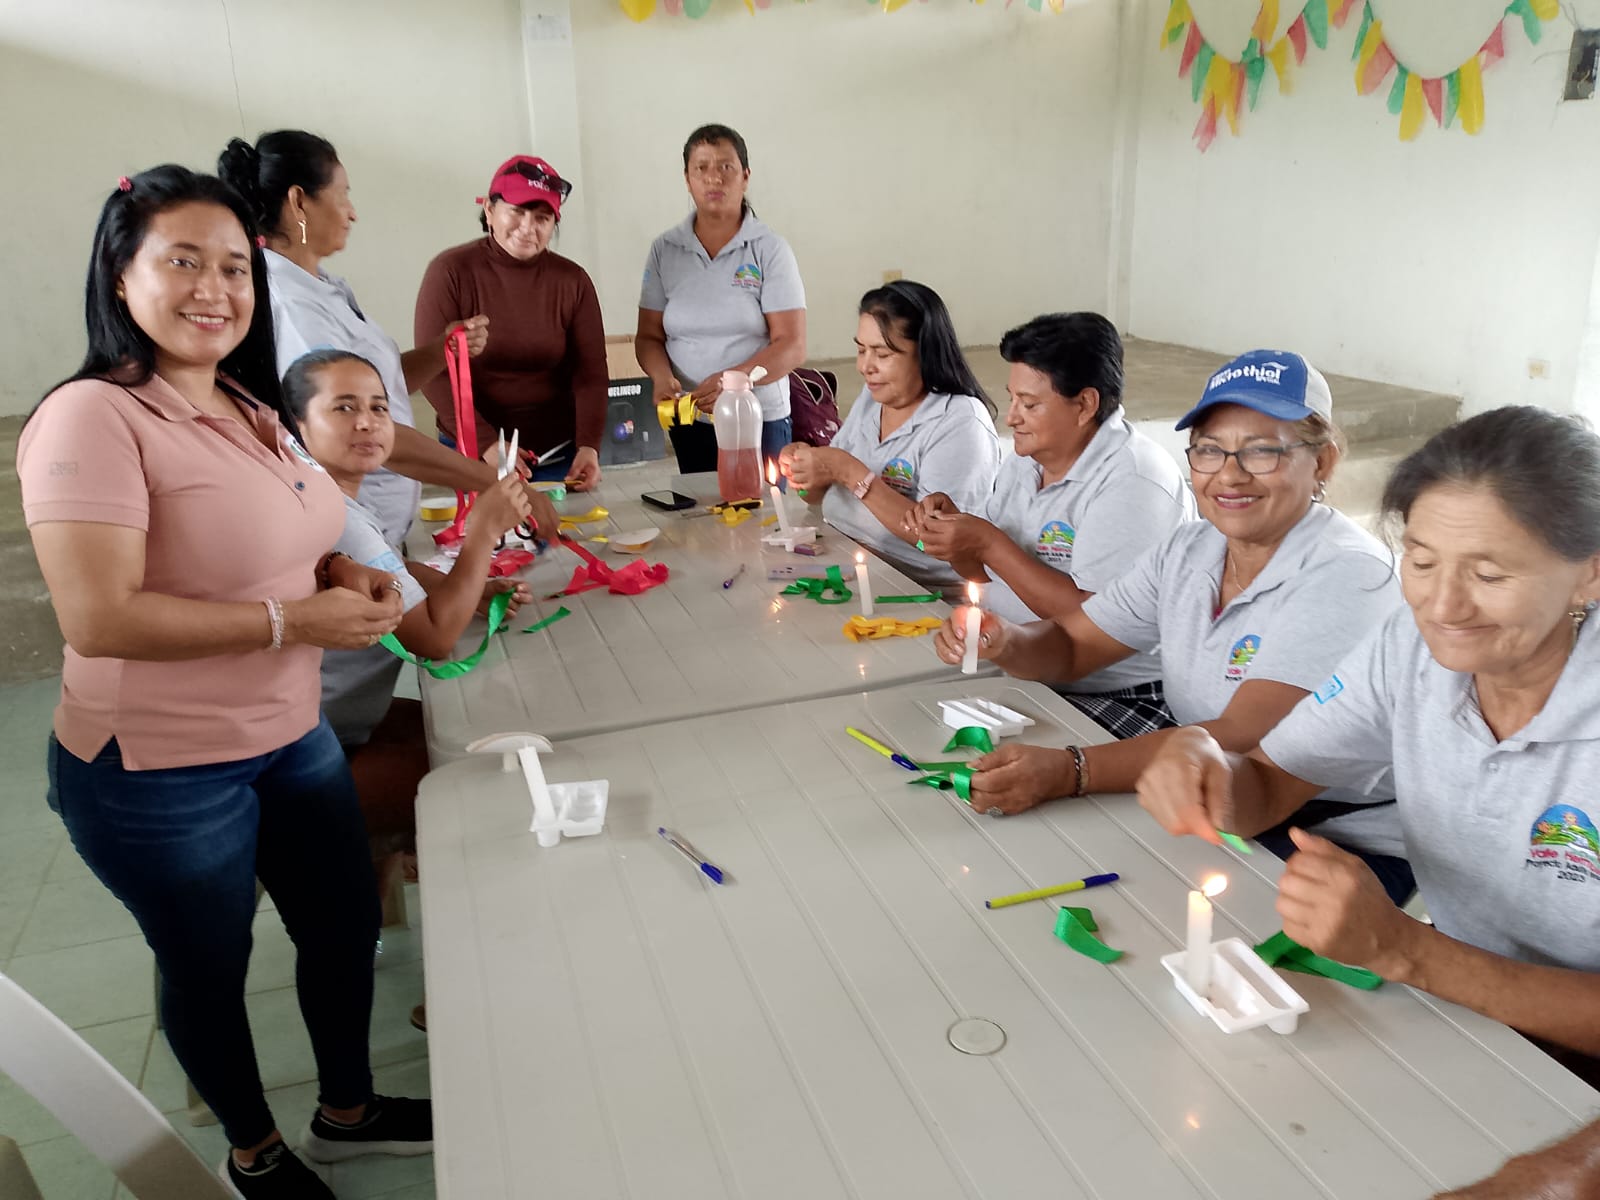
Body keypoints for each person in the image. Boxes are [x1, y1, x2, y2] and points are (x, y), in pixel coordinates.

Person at [17, 165, 427, 1199]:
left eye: (235, 267)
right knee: (208, 963)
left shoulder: (246, 403)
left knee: (340, 926)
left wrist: (338, 573)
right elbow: (99, 616)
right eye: (184, 262)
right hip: (160, 767)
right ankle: (255, 1154)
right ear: (122, 277)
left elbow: (280, 537)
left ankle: (347, 1112)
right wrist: (294, 621)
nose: (216, 289)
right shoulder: (91, 418)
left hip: (289, 734)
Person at [1138, 405, 1600, 1069]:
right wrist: (1206, 768)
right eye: (1422, 561)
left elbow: (1413, 955)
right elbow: (1270, 781)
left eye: (1489, 575)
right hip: (1469, 1017)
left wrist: (1405, 949)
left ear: (1590, 571)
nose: (1443, 607)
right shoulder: (1408, 648)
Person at [935, 350, 1413, 902]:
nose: (1229, 474)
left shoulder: (1348, 575)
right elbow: (1073, 643)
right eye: (1209, 450)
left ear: (1322, 462)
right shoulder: (1192, 549)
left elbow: (1246, 737)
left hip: (1331, 835)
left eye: (1261, 451)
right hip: (1208, 789)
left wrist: (1072, 770)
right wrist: (1003, 640)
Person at [218, 130, 559, 548]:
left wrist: (440, 353)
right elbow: (362, 428)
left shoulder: (322, 287)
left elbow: (377, 388)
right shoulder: (293, 308)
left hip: (381, 524)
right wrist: (500, 483)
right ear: (299, 202)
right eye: (342, 195)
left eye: (543, 218)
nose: (352, 213)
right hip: (348, 528)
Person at [282, 348, 531, 880]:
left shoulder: (326, 495)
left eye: (379, 406)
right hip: (313, 743)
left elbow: (396, 570)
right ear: (296, 425)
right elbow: (434, 638)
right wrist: (483, 532)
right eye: (344, 408)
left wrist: (467, 588)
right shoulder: (337, 517)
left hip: (337, 719)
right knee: (482, 766)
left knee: (466, 728)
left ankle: (384, 874)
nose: (368, 422)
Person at [906, 312, 1194, 735]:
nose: (1011, 418)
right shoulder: (1027, 462)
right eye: (1012, 399)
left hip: (1111, 689)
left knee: (983, 761)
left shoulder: (1134, 481)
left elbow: (1096, 623)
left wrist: (988, 544)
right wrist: (953, 533)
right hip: (1020, 662)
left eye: (1030, 404)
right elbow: (981, 574)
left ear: (1085, 405)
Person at [780, 280, 1000, 596]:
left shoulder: (960, 421)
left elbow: (938, 542)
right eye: (861, 350)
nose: (865, 367)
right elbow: (818, 496)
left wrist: (850, 472)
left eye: (882, 354)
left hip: (916, 587)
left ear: (925, 353)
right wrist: (805, 470)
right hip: (846, 558)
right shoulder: (873, 399)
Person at [415, 156, 606, 489]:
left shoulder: (572, 281)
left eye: (542, 218)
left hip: (555, 456)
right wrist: (488, 444)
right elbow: (433, 373)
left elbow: (590, 373)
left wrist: (589, 445)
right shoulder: (450, 272)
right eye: (517, 211)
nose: (528, 227)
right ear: (489, 210)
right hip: (474, 454)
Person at [636, 123, 807, 469]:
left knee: (760, 503)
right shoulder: (665, 250)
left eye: (725, 167)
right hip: (691, 416)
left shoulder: (769, 249)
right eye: (701, 168)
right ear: (687, 180)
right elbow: (649, 336)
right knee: (698, 502)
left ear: (745, 177)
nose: (713, 178)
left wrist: (734, 381)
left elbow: (792, 344)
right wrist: (661, 377)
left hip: (758, 417)